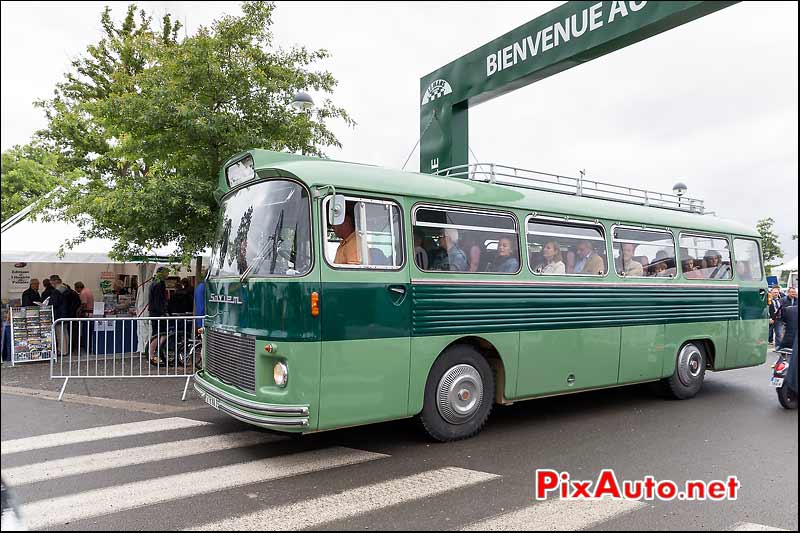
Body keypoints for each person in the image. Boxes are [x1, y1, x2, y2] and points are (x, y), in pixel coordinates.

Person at [148, 267, 170, 364]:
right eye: (167, 273)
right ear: (162, 273)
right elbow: (158, 300)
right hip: (158, 313)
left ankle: (152, 354)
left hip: (154, 312)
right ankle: (156, 354)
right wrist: (163, 312)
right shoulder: (159, 284)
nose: (168, 275)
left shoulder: (154, 282)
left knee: (157, 333)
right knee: (162, 334)